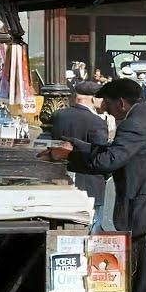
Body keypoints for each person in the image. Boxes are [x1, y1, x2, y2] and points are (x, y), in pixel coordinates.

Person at [41, 78, 146, 292]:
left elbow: (109, 161)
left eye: (109, 105)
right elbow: (120, 151)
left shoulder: (134, 124)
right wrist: (77, 146)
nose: (106, 110)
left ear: (121, 103)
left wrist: (68, 155)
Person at [50, 81, 109, 233]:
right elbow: (100, 156)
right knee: (92, 227)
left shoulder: (58, 116)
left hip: (60, 178)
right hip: (90, 182)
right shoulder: (97, 122)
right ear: (93, 98)